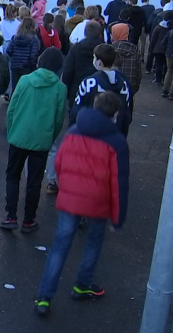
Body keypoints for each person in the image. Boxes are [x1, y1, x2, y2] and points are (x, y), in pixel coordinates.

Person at [33, 91, 130, 317]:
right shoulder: (117, 141)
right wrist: (118, 217)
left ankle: (44, 297)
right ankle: (82, 283)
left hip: (70, 197)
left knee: (60, 245)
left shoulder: (75, 130)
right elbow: (119, 183)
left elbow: (59, 162)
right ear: (115, 114)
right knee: (94, 241)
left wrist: (66, 185)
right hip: (97, 201)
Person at [0, 49, 66, 232]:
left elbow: (12, 108)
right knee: (35, 181)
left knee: (13, 175)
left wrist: (12, 130)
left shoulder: (25, 81)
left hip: (20, 134)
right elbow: (59, 118)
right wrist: (50, 136)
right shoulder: (60, 88)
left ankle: (11, 215)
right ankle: (29, 219)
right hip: (42, 137)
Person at [70, 43, 132, 137]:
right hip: (114, 133)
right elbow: (127, 113)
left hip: (90, 132)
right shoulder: (124, 84)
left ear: (99, 62)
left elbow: (77, 109)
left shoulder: (89, 83)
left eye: (94, 57)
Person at [62, 20, 104, 105]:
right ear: (100, 33)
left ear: (85, 33)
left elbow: (68, 71)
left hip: (77, 88)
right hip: (100, 90)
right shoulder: (104, 49)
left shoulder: (76, 49)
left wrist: (66, 90)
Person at [111, 23, 142, 107]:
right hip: (129, 88)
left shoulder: (109, 50)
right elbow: (138, 73)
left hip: (111, 87)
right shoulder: (134, 50)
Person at [7, 18, 40, 92]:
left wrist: (14, 57)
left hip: (15, 65)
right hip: (26, 67)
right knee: (26, 90)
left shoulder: (15, 37)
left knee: (15, 89)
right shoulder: (34, 39)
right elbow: (33, 55)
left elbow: (8, 50)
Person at [149, 11, 173, 85]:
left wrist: (151, 49)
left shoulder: (158, 27)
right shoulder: (172, 27)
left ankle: (158, 79)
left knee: (158, 64)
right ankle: (165, 79)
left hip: (158, 49)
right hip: (168, 49)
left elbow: (153, 39)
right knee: (166, 65)